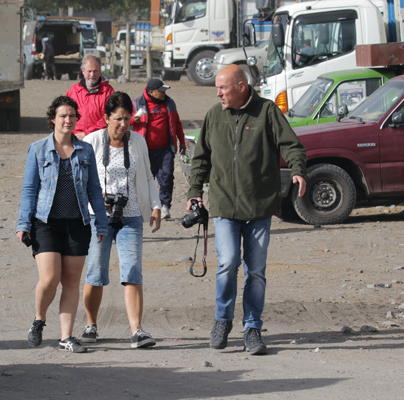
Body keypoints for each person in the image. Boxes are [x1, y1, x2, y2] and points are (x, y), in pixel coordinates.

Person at [187, 65, 307, 355]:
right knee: (228, 264)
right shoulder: (215, 116)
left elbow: (292, 145)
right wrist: (194, 193)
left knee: (256, 272)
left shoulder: (267, 112)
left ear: (241, 86)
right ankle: (222, 321)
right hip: (224, 206)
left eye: (223, 88)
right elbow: (201, 158)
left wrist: (298, 170)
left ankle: (252, 328)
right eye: (217, 88)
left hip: (259, 207)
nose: (218, 94)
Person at [16, 95, 108, 353]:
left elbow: (93, 189)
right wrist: (23, 224)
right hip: (45, 223)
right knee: (50, 277)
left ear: (77, 119)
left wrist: (101, 223)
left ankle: (66, 336)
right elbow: (29, 189)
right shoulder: (37, 149)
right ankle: (39, 319)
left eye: (72, 115)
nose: (68, 120)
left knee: (71, 281)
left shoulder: (85, 150)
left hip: (77, 223)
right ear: (52, 120)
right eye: (62, 116)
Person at [81, 91, 162, 348]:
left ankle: (137, 330)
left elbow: (148, 176)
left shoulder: (137, 141)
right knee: (95, 272)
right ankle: (90, 324)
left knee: (133, 272)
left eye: (127, 119)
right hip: (99, 217)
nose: (123, 124)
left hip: (131, 216)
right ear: (105, 118)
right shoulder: (91, 141)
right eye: (117, 119)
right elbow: (78, 180)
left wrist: (156, 206)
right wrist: (96, 198)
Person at [131, 78, 186, 220]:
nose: (164, 93)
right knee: (144, 179)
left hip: (165, 149)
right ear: (151, 92)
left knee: (167, 177)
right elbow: (124, 120)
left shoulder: (169, 103)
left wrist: (182, 142)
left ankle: (165, 206)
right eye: (161, 91)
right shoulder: (137, 103)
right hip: (145, 150)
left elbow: (177, 123)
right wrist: (133, 120)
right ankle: (147, 206)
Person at [66, 55, 115, 140]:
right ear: (83, 71)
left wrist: (87, 133)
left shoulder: (108, 91)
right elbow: (65, 115)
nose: (92, 75)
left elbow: (111, 117)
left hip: (99, 138)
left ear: (100, 71)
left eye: (95, 71)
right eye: (89, 71)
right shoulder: (73, 91)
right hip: (75, 138)